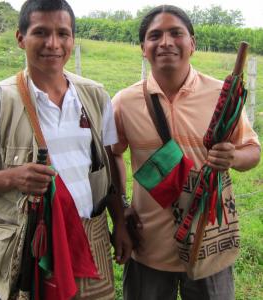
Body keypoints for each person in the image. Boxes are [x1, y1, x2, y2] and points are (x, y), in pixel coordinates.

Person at [0, 0, 132, 299]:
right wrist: (13, 178)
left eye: (63, 34)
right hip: (25, 243)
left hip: (86, 237)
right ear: (20, 38)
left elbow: (108, 164)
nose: (53, 44)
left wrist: (119, 221)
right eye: (41, 32)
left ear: (72, 39)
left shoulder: (95, 96)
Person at [111, 5, 261, 300]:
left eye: (175, 33)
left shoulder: (222, 95)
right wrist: (122, 208)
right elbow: (113, 155)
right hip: (147, 248)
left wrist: (233, 157)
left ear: (192, 43)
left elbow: (252, 151)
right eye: (155, 36)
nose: (165, 42)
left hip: (210, 244)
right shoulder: (124, 102)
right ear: (143, 48)